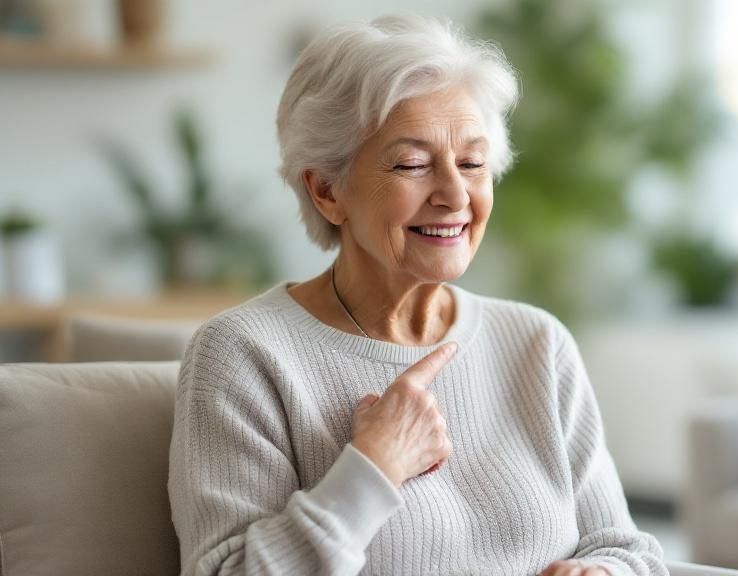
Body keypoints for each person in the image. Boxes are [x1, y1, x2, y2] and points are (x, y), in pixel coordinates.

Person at [168, 14, 667, 576]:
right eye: (412, 164)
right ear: (327, 190)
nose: (455, 195)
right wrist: (374, 465)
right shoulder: (242, 354)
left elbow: (626, 549)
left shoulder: (537, 343)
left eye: (472, 163)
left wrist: (601, 572)